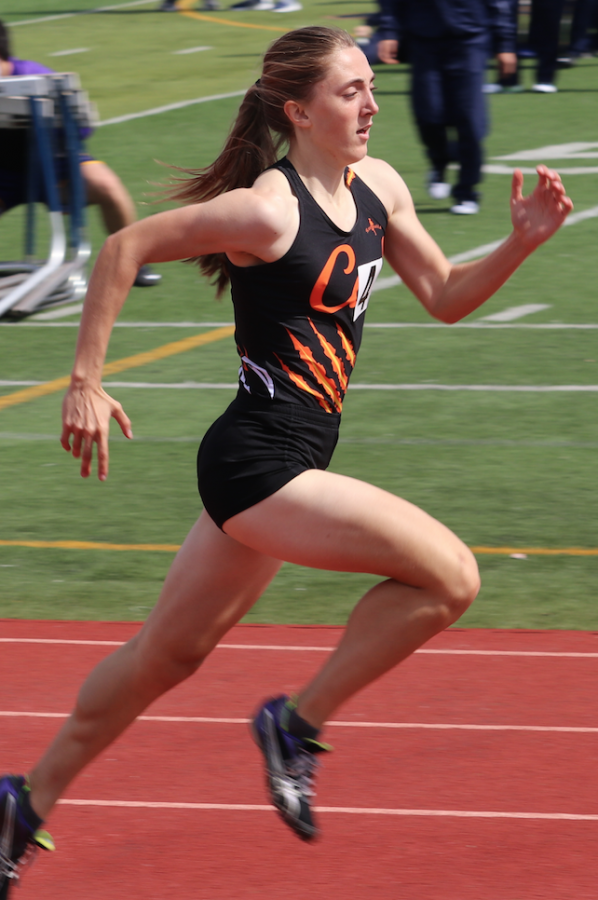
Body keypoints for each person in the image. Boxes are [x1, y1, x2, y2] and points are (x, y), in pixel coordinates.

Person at [0, 24, 572, 893]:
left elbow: (447, 297)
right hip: (258, 464)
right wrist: (86, 380)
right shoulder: (267, 208)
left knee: (167, 655)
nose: (373, 104)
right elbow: (124, 247)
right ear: (298, 111)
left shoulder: (377, 187)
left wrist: (520, 243)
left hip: (288, 463)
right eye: (351, 92)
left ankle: (24, 802)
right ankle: (295, 725)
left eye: (371, 87)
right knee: (451, 576)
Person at [0, 20, 160, 287]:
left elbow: (82, 128)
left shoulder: (34, 75)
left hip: (57, 166)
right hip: (5, 174)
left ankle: (132, 262)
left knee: (107, 185)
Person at [377, 0, 518, 214]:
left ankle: (467, 191)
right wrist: (389, 30)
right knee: (429, 115)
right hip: (423, 40)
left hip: (470, 39)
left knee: (469, 119)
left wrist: (505, 44)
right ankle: (439, 162)